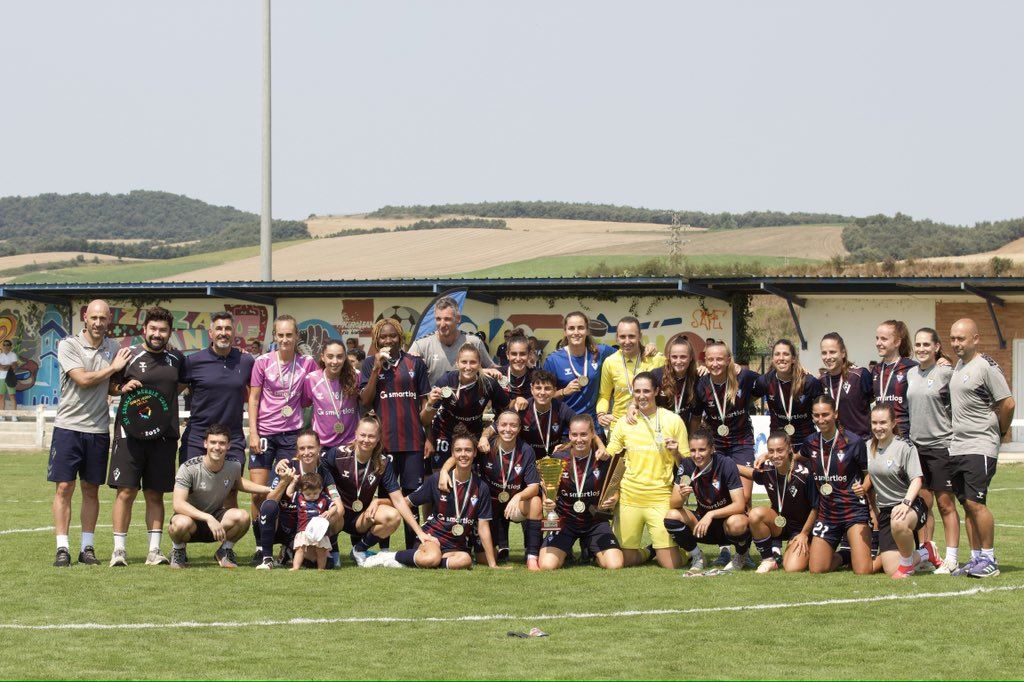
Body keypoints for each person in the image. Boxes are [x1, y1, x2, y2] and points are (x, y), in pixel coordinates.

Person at [49, 299, 132, 567]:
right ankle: (62, 548)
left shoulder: (114, 348)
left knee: (91, 489)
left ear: (109, 320)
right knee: (64, 487)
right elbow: (83, 379)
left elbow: (109, 385)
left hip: (98, 429)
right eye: (93, 318)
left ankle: (87, 548)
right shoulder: (69, 345)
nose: (98, 323)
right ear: (85, 317)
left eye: (102, 318)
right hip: (68, 427)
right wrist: (114, 368)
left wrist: (122, 388)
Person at [106, 306, 186, 567]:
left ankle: (154, 551)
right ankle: (119, 551)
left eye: (163, 330)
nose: (157, 334)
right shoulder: (128, 355)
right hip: (129, 435)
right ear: (144, 329)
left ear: (170, 332)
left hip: (164, 437)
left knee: (155, 494)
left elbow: (183, 385)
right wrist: (122, 387)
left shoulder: (177, 359)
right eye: (153, 328)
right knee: (126, 491)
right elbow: (110, 386)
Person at [367, 427, 499, 569]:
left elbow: (483, 527)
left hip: (455, 545)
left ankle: (419, 560)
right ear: (452, 453)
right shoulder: (437, 480)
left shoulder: (481, 487)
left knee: (465, 560)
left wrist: (492, 564)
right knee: (432, 557)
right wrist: (380, 501)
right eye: (458, 450)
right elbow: (406, 502)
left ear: (474, 453)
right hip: (431, 537)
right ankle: (388, 556)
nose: (463, 454)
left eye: (468, 450)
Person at [247, 315, 319, 565]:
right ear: (274, 337)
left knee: (288, 492)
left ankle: (288, 546)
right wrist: (253, 433)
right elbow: (254, 399)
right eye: (281, 335)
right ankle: (260, 546)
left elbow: (313, 393)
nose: (285, 339)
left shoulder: (307, 363)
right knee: (258, 493)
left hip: (291, 435)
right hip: (265, 434)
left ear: (297, 336)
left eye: (290, 335)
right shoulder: (262, 362)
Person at [948, 318, 1015, 578]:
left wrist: (1000, 431)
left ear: (976, 339)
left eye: (961, 338)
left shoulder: (986, 366)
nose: (956, 343)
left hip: (980, 444)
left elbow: (1008, 403)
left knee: (976, 503)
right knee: (967, 504)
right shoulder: (958, 365)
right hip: (958, 445)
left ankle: (989, 559)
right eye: (953, 338)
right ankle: (975, 558)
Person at [359, 317, 431, 547]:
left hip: (413, 442)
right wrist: (376, 369)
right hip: (384, 445)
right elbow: (365, 400)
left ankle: (414, 548)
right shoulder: (369, 364)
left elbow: (425, 405)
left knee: (412, 496)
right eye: (383, 337)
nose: (388, 340)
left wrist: (429, 438)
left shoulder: (415, 364)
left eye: (392, 335)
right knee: (383, 496)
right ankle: (383, 549)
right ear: (376, 340)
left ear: (400, 337)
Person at [321, 417, 432, 566]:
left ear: (378, 437)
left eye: (371, 436)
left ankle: (358, 550)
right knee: (334, 511)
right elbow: (321, 472)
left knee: (393, 516)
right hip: (338, 514)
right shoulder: (338, 454)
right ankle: (334, 552)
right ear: (355, 434)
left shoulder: (382, 462)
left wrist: (420, 532)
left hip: (362, 518)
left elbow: (398, 500)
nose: (366, 440)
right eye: (363, 435)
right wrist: (334, 497)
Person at [605, 371, 689, 569]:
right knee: (624, 560)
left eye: (646, 391)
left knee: (670, 564)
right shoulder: (624, 422)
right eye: (637, 391)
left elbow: (688, 464)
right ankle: (650, 551)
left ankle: (689, 551)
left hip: (660, 497)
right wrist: (596, 443)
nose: (641, 396)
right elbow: (610, 456)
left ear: (656, 391)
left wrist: (676, 453)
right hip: (629, 497)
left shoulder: (673, 420)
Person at [440, 410, 543, 568]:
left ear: (519, 428)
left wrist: (518, 497)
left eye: (513, 425)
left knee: (535, 502)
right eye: (504, 425)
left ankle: (532, 557)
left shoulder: (526, 450)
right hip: (488, 506)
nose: (508, 429)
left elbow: (534, 487)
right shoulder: (486, 446)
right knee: (485, 558)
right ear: (497, 426)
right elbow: (460, 456)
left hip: (513, 504)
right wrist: (443, 471)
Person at [178, 311, 255, 512]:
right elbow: (172, 391)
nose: (223, 332)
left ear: (234, 333)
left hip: (232, 439)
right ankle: (185, 533)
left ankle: (227, 534)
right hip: (197, 438)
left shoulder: (246, 361)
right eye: (219, 328)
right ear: (210, 333)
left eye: (228, 328)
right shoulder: (193, 361)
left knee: (230, 492)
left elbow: (256, 396)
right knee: (189, 494)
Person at [167, 424, 272, 569]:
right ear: (205, 443)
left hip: (217, 522)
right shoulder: (188, 468)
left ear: (228, 445)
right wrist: (208, 518)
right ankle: (179, 550)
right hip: (191, 522)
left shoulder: (233, 465)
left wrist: (269, 489)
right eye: (213, 442)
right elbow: (178, 504)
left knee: (242, 517)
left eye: (222, 443)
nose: (217, 447)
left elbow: (239, 483)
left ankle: (225, 550)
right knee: (179, 524)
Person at [539, 415, 624, 570]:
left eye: (584, 434)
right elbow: (548, 488)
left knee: (614, 565)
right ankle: (567, 551)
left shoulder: (603, 458)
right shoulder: (558, 458)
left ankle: (589, 548)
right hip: (565, 521)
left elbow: (614, 489)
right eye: (575, 434)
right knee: (547, 565)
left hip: (595, 522)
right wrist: (547, 502)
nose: (579, 439)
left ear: (592, 434)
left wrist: (613, 498)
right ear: (569, 435)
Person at [905, 327, 958, 573]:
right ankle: (927, 554)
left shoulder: (946, 371)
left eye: (926, 344)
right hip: (917, 448)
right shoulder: (911, 373)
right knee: (923, 506)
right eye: (918, 344)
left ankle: (952, 558)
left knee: (946, 504)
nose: (921, 349)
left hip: (941, 447)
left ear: (937, 347)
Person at [665, 428, 753, 574]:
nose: (697, 455)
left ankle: (741, 555)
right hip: (703, 527)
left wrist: (711, 514)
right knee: (672, 516)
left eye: (702, 450)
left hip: (727, 525)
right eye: (693, 450)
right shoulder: (687, 465)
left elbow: (739, 505)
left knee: (737, 523)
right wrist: (681, 495)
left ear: (712, 449)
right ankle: (697, 557)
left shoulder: (726, 464)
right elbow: (673, 505)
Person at [802, 395, 873, 575]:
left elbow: (869, 474)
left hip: (853, 510)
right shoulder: (810, 442)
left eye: (825, 414)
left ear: (835, 414)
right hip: (827, 513)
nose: (821, 419)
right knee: (817, 569)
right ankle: (845, 556)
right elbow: (795, 457)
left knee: (863, 571)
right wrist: (767, 456)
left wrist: (864, 488)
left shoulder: (853, 442)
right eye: (816, 415)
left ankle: (886, 558)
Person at [864, 405, 935, 578]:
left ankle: (907, 567)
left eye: (883, 422)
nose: (878, 427)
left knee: (898, 521)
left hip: (911, 506)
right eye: (874, 423)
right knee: (891, 569)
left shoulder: (905, 446)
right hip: (885, 512)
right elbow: (870, 475)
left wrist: (905, 503)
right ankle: (927, 552)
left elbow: (917, 479)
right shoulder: (867, 446)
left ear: (893, 423)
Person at [255, 430, 342, 569]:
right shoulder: (286, 467)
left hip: (306, 529)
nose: (306, 452)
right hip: (283, 525)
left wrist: (320, 525)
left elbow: (339, 507)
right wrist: (284, 481)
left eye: (310, 447)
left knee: (323, 563)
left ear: (319, 448)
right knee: (269, 507)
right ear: (297, 451)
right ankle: (267, 559)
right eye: (302, 448)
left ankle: (293, 550)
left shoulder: (324, 473)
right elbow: (269, 501)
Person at [420, 344, 505, 475]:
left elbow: (507, 411)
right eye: (464, 362)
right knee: (440, 475)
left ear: (480, 364)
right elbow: (424, 420)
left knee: (469, 475)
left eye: (473, 362)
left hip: (473, 434)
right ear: (457, 363)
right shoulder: (446, 381)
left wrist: (488, 433)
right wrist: (430, 404)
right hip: (445, 432)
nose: (468, 367)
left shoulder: (488, 383)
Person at [740, 431, 817, 573]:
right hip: (778, 524)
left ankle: (809, 548)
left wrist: (804, 534)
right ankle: (768, 560)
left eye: (780, 450)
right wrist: (725, 463)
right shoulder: (768, 470)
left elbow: (816, 508)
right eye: (771, 451)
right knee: (755, 514)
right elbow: (749, 473)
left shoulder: (804, 475)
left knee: (792, 567)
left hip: (800, 529)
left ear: (789, 449)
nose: (775, 455)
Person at [693, 341, 760, 505]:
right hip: (716, 446)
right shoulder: (701, 384)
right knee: (721, 496)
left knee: (745, 497)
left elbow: (772, 381)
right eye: (710, 360)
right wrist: (693, 443)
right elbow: (695, 418)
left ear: (728, 360)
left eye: (719, 359)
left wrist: (800, 371)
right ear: (705, 361)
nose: (715, 364)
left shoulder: (744, 377)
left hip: (742, 443)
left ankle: (747, 521)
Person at [542, 311, 615, 433]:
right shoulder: (553, 360)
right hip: (566, 429)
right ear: (565, 332)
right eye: (571, 328)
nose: (576, 332)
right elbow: (543, 396)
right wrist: (563, 392)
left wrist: (646, 348)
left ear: (587, 331)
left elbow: (626, 352)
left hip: (594, 428)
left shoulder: (601, 352)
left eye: (580, 328)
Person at [407, 296, 496, 386]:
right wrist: (412, 363)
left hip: (467, 395)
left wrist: (484, 371)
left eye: (447, 319)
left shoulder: (474, 343)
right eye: (438, 319)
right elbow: (404, 374)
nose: (442, 324)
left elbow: (492, 369)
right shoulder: (421, 346)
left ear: (458, 319)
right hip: (434, 395)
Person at [596, 316, 664, 432]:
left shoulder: (656, 359)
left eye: (631, 336)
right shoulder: (610, 362)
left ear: (640, 336)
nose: (627, 341)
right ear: (617, 338)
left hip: (649, 427)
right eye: (622, 337)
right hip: (619, 426)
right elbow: (604, 396)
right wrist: (601, 414)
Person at [754, 339, 822, 445]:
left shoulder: (809, 382)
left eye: (786, 354)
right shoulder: (765, 381)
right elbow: (748, 399)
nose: (781, 358)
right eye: (777, 354)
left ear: (793, 358)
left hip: (806, 442)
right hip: (778, 443)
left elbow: (823, 410)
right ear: (773, 358)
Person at [301, 339, 359, 449]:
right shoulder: (311, 379)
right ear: (323, 357)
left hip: (350, 443)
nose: (335, 361)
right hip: (322, 444)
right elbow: (305, 404)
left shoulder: (355, 376)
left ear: (345, 357)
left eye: (339, 356)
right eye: (330, 356)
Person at [819, 332, 873, 439]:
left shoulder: (859, 375)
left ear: (843, 353)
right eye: (824, 353)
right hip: (836, 442)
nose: (828, 357)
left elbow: (873, 401)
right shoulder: (822, 380)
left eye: (832, 352)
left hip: (861, 441)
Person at [873, 320, 918, 438]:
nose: (878, 343)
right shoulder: (876, 370)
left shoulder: (912, 368)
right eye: (877, 338)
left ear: (897, 342)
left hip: (902, 433)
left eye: (883, 339)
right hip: (880, 433)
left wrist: (940, 360)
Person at [650, 335, 703, 432]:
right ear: (669, 357)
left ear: (691, 357)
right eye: (674, 357)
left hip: (682, 433)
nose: (678, 361)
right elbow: (642, 395)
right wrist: (633, 406)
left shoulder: (697, 379)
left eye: (683, 357)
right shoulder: (656, 375)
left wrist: (691, 439)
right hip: (658, 432)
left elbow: (696, 417)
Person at [289, 473, 333, 571]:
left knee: (321, 551)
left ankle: (321, 568)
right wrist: (293, 482)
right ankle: (295, 567)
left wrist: (329, 511)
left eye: (315, 493)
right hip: (303, 529)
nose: (312, 496)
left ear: (320, 489)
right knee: (300, 549)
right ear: (301, 491)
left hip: (319, 531)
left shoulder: (324, 497)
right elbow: (289, 493)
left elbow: (334, 506)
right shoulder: (299, 497)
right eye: (308, 494)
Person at [494, 333, 533, 407]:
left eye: (522, 354)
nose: (518, 359)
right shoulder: (497, 374)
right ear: (507, 355)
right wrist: (484, 371)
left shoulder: (536, 376)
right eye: (514, 354)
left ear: (529, 355)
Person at [0, 338, 19, 412]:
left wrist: (4, 366)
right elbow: (1, 367)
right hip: (1, 378)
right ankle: (2, 415)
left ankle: (14, 415)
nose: (5, 346)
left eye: (7, 345)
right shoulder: (0, 355)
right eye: (4, 345)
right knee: (1, 397)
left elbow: (14, 366)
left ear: (10, 347)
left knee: (12, 396)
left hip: (10, 378)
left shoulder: (13, 355)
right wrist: (9, 365)